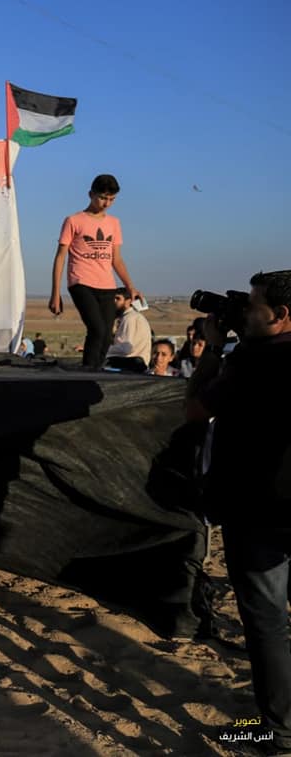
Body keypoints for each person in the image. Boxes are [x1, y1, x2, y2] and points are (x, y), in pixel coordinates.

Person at [186, 270, 291, 752]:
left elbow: (197, 409)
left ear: (282, 315)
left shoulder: (254, 358)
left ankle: (276, 727)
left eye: (252, 307)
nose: (245, 315)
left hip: (262, 510)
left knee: (267, 620)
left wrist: (213, 348)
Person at [48, 174, 143, 369]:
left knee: (107, 335)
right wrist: (55, 293)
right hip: (81, 282)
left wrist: (130, 287)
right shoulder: (74, 220)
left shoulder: (114, 223)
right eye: (102, 197)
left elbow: (116, 259)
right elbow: (60, 257)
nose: (106, 203)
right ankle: (88, 373)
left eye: (111, 199)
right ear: (91, 194)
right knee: (97, 329)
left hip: (106, 285)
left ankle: (96, 371)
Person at [105, 287, 151, 372]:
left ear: (128, 301)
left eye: (118, 298)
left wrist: (102, 349)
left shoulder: (130, 318)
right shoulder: (132, 317)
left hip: (131, 366)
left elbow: (126, 348)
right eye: (113, 299)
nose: (114, 301)